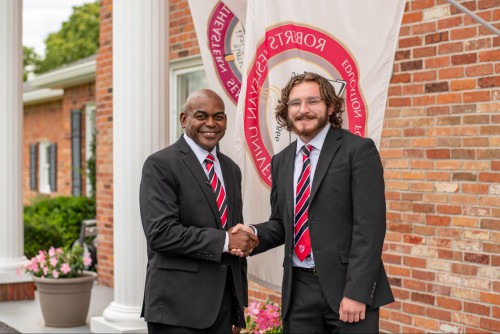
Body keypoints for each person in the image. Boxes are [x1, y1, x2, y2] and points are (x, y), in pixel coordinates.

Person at [231, 72, 394, 333]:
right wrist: (254, 233)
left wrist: (357, 292)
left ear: (330, 106)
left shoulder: (358, 151)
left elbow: (370, 228)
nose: (303, 110)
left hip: (347, 289)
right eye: (295, 103)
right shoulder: (281, 161)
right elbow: (283, 223)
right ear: (287, 111)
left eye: (312, 101)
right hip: (298, 291)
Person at [140, 89, 258, 334]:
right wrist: (225, 240)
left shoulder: (231, 169)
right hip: (176, 310)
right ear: (184, 119)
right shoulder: (161, 164)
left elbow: (236, 238)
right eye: (201, 116)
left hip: (222, 309)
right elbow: (161, 233)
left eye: (219, 117)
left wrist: (238, 306)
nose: (211, 124)